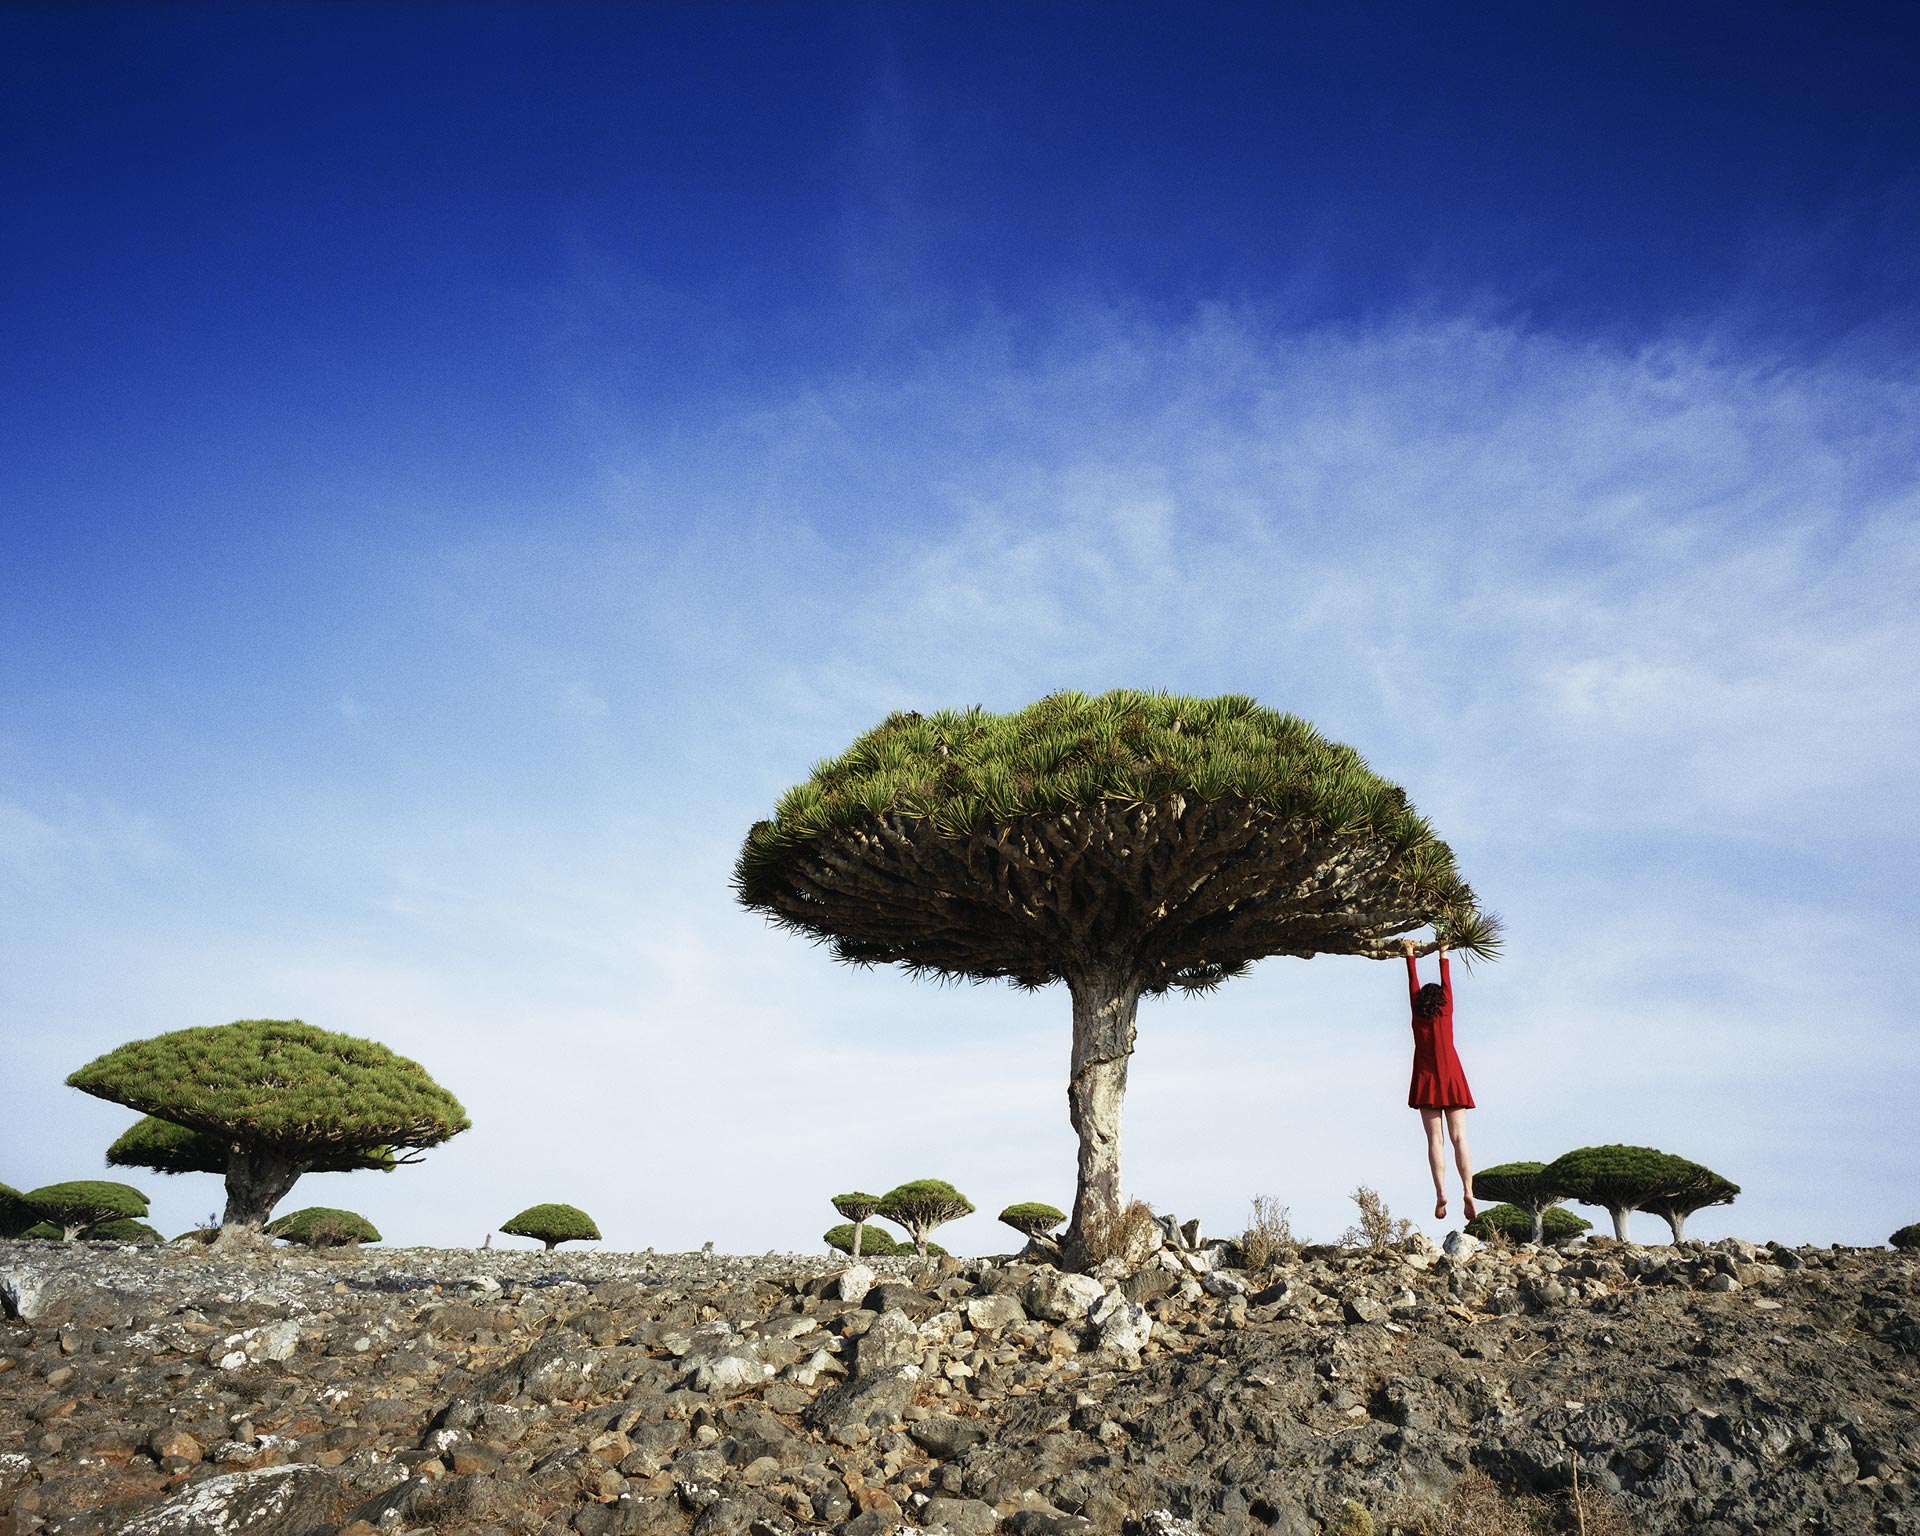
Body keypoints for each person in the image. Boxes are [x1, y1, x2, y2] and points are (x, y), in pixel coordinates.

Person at [1401, 936, 1476, 1222]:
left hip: (1426, 1080)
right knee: (1460, 1138)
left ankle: (1441, 1193)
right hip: (1452, 1077)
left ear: (1419, 1001)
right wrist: (1443, 950)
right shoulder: (1447, 1009)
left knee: (1436, 1140)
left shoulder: (1417, 1012)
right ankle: (1468, 1190)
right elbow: (1447, 979)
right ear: (1443, 999)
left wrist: (1410, 953)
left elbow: (1412, 982)